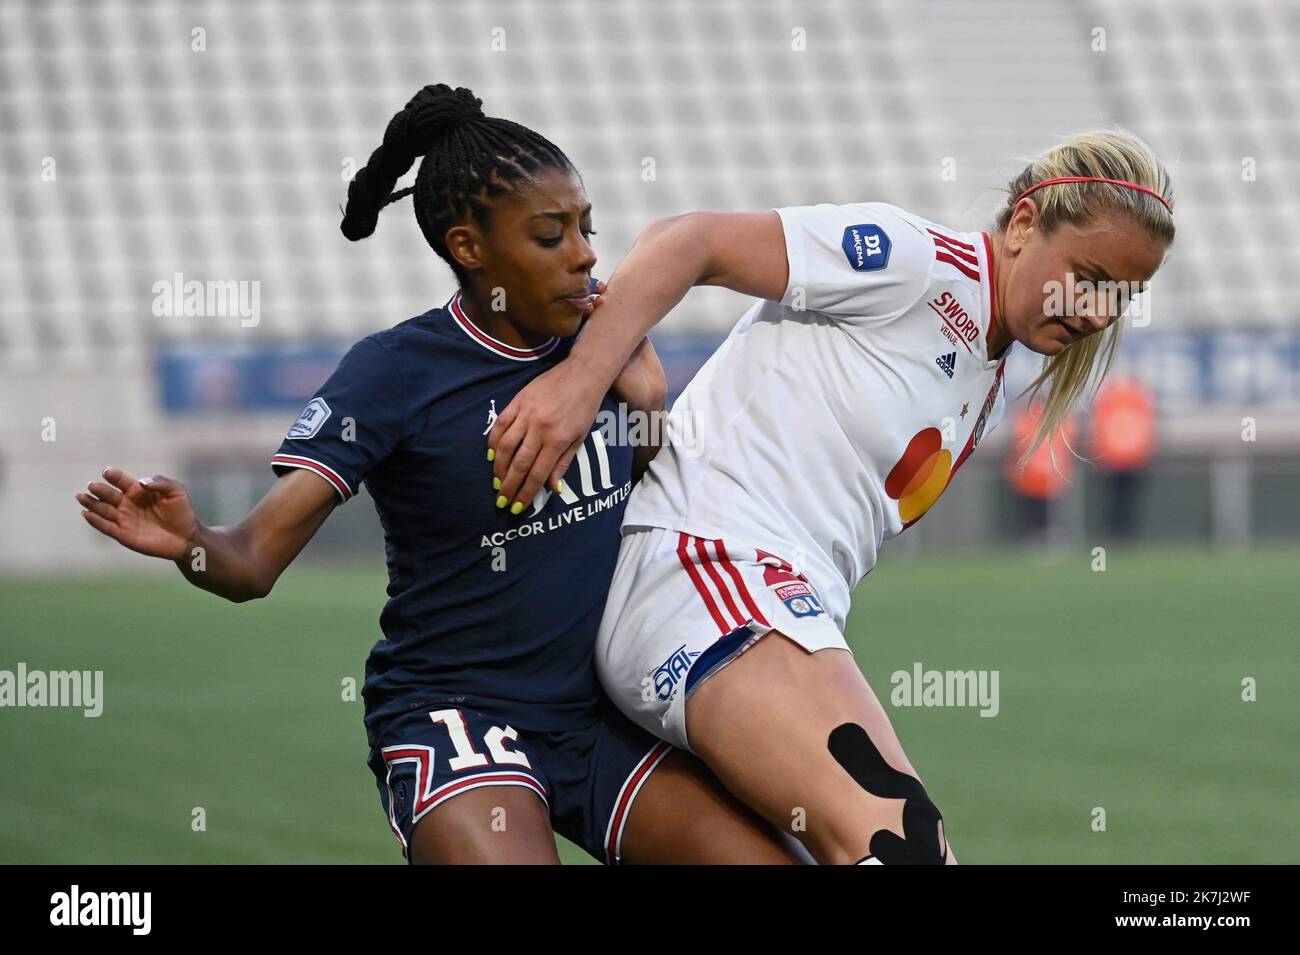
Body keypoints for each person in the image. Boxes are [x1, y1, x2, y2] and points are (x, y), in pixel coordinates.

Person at [75, 84, 801, 865]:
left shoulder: (602, 346)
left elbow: (657, 519)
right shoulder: (394, 372)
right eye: (551, 235)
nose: (586, 253)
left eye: (586, 228)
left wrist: (650, 407)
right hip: (457, 714)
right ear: (469, 248)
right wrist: (191, 542)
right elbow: (250, 562)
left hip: (596, 712)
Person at [486, 129, 1175, 863]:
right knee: (901, 845)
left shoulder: (991, 380)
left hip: (766, 609)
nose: (1097, 310)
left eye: (1119, 296)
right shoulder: (919, 263)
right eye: (1089, 276)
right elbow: (690, 240)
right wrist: (580, 382)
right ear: (1028, 224)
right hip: (711, 571)